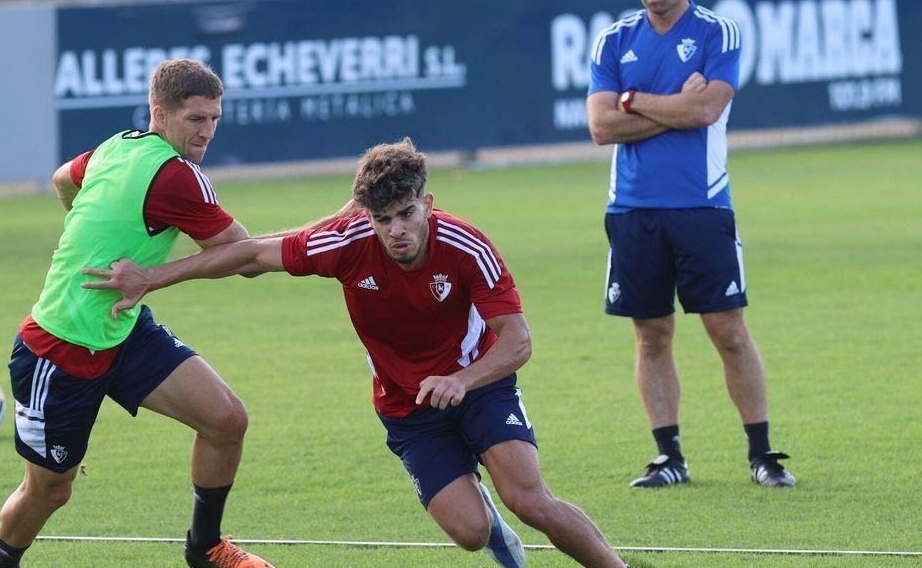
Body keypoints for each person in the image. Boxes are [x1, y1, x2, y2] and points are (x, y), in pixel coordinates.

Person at [83, 138, 630, 568]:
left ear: (428, 205)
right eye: (382, 218)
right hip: (406, 406)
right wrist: (151, 278)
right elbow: (247, 255)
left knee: (529, 499)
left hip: (478, 384)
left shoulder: (468, 246)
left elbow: (518, 341)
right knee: (468, 533)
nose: (396, 230)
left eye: (407, 215)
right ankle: (483, 516)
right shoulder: (344, 244)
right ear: (365, 217)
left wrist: (463, 379)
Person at [0, 59, 343, 568]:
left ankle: (206, 548)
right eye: (196, 119)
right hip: (58, 350)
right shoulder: (176, 177)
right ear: (161, 114)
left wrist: (97, 232)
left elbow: (63, 180)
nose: (208, 131)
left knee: (225, 419)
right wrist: (339, 221)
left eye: (215, 118)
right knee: (48, 491)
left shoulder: (118, 145)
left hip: (123, 329)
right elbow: (247, 259)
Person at [585, 0, 795, 489]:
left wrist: (636, 103)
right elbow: (602, 128)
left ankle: (762, 454)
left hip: (702, 208)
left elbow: (705, 113)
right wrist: (669, 104)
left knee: (727, 330)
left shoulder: (717, 32)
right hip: (631, 210)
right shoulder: (613, 39)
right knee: (651, 335)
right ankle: (668, 457)